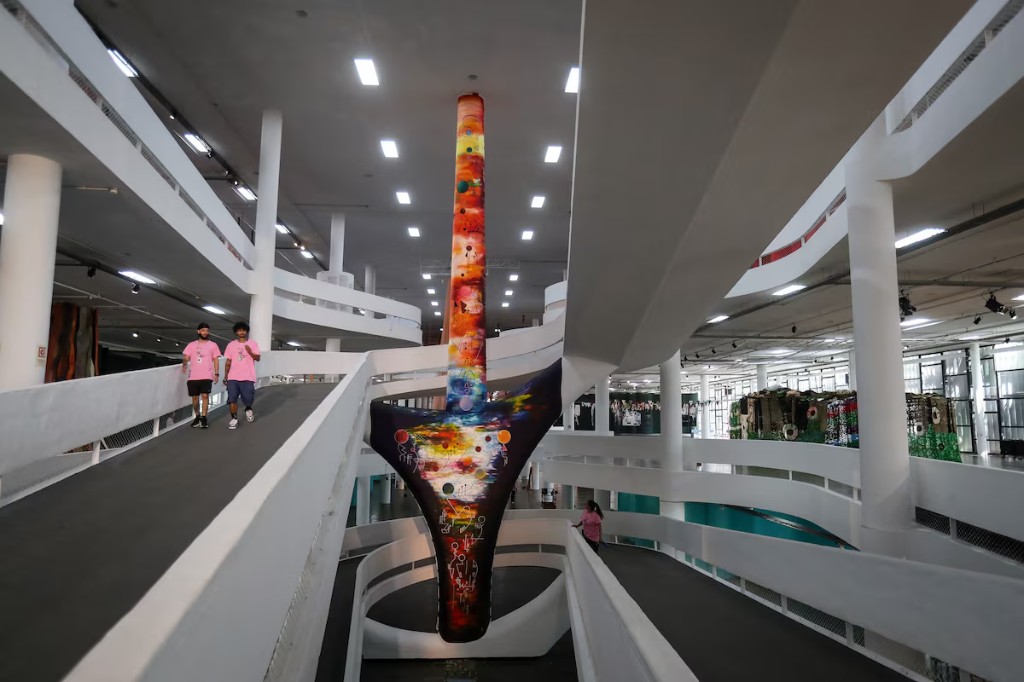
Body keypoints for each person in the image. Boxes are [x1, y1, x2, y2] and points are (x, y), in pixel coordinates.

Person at [181, 322, 221, 429]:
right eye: (203, 330)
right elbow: (186, 356)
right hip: (193, 376)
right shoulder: (191, 345)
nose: (205, 332)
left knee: (205, 396)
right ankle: (197, 416)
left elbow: (216, 360)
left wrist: (216, 373)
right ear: (198, 331)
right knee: (194, 398)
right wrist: (184, 364)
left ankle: (204, 417)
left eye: (207, 330)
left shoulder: (213, 345)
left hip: (207, 375)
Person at [223, 321, 261, 430]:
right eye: (239, 330)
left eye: (243, 330)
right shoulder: (231, 345)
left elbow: (258, 358)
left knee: (248, 398)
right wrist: (226, 375)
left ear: (247, 331)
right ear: (236, 332)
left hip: (247, 376)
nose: (241, 332)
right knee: (232, 399)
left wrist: (250, 352)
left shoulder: (253, 343)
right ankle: (234, 418)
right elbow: (228, 361)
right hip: (233, 377)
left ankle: (248, 408)